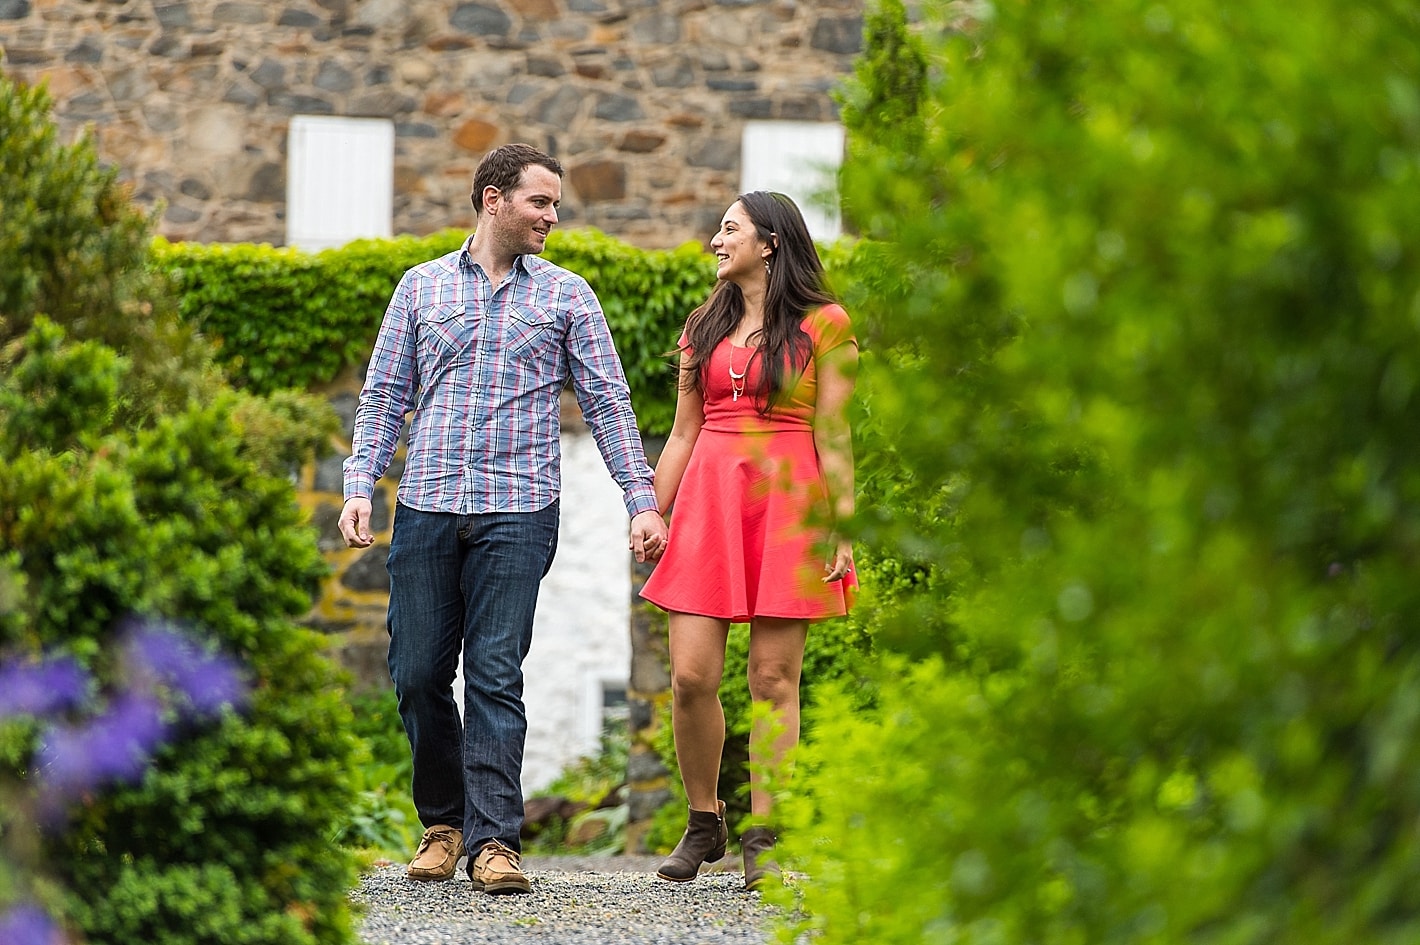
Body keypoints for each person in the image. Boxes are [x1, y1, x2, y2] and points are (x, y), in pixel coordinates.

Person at [338, 142, 668, 896]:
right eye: (540, 202)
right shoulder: (419, 289)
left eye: (555, 205)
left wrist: (640, 498)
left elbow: (609, 403)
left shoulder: (568, 297)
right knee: (417, 671)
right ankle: (442, 823)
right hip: (425, 503)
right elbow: (384, 396)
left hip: (520, 508)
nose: (553, 216)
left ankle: (493, 841)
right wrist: (361, 482)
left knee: (493, 672)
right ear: (494, 200)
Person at [639, 191, 858, 891]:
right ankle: (705, 819)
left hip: (790, 505)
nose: (714, 239)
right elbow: (681, 433)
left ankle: (766, 831)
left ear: (769, 242)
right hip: (710, 501)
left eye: (728, 228)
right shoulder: (701, 325)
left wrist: (843, 527)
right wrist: (650, 508)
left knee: (772, 678)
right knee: (692, 676)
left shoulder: (827, 325)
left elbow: (835, 435)